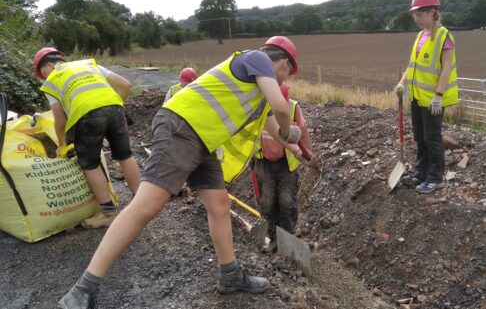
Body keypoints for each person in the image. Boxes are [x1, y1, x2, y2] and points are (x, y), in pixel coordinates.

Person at [58, 36, 303, 309]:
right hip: (181, 126)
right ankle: (83, 289)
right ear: (283, 62)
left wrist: (294, 148)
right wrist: (288, 129)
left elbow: (273, 127)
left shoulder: (258, 95)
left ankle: (230, 275)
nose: (282, 80)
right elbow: (281, 110)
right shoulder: (256, 59)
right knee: (147, 205)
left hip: (203, 140)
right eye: (285, 74)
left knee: (219, 205)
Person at [33, 47, 141, 228]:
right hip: (115, 108)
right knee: (124, 155)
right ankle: (141, 204)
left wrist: (62, 145)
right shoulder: (88, 64)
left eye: (43, 72)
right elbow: (125, 85)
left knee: (89, 164)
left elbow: (60, 120)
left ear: (49, 65)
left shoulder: (52, 81)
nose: (44, 76)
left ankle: (108, 213)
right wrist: (114, 105)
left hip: (87, 116)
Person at [394, 0, 459, 194]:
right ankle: (420, 173)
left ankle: (435, 177)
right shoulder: (420, 36)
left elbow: (446, 68)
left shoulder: (444, 36)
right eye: (415, 15)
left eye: (420, 14)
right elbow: (412, 64)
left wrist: (439, 97)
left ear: (432, 12)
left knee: (432, 138)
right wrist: (402, 82)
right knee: (420, 137)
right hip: (417, 97)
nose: (417, 19)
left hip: (433, 100)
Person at [253, 82, 313, 253]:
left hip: (286, 164)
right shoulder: (259, 106)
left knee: (287, 202)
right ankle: (273, 239)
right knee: (268, 203)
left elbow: (303, 131)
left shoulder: (293, 107)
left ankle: (288, 238)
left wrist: (310, 156)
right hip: (264, 162)